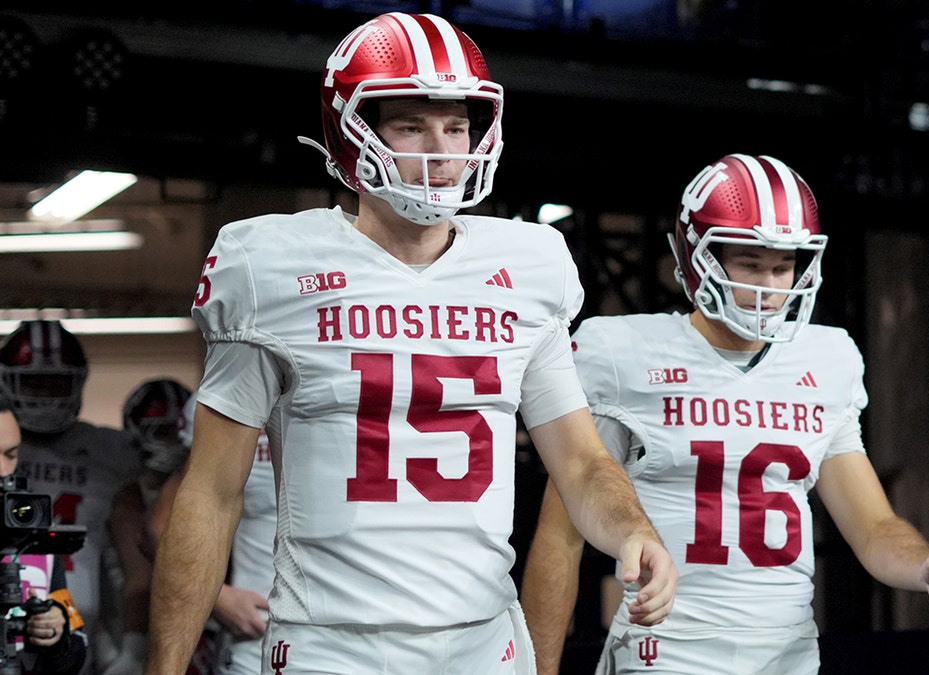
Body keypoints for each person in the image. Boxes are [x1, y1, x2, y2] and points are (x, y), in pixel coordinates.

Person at [146, 11, 677, 675]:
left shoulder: (530, 266)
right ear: (351, 134)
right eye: (410, 125)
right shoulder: (270, 268)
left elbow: (580, 462)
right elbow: (212, 493)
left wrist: (633, 527)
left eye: (456, 125)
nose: (442, 149)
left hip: (483, 642)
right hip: (330, 646)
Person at [521, 154, 929, 674]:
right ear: (698, 259)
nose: (769, 286)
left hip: (787, 654)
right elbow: (561, 538)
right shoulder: (621, 354)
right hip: (668, 650)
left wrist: (925, 565)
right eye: (750, 264)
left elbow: (872, 526)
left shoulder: (829, 359)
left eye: (783, 266)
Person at [0, 320, 142, 675]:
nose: (45, 394)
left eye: (55, 381)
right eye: (33, 382)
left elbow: (135, 560)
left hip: (69, 629)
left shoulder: (112, 453)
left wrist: (130, 646)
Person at [145, 393, 275, 675]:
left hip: (354, 619)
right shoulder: (227, 394)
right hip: (257, 627)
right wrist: (218, 597)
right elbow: (162, 525)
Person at [99, 378, 193, 675]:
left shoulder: (199, 488)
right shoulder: (130, 499)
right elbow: (139, 579)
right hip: (134, 627)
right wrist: (134, 652)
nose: (174, 442)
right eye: (162, 432)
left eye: (178, 432)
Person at [0, 382, 89, 674]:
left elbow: (73, 657)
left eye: (10, 455)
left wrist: (56, 629)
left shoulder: (30, 535)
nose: (3, 471)